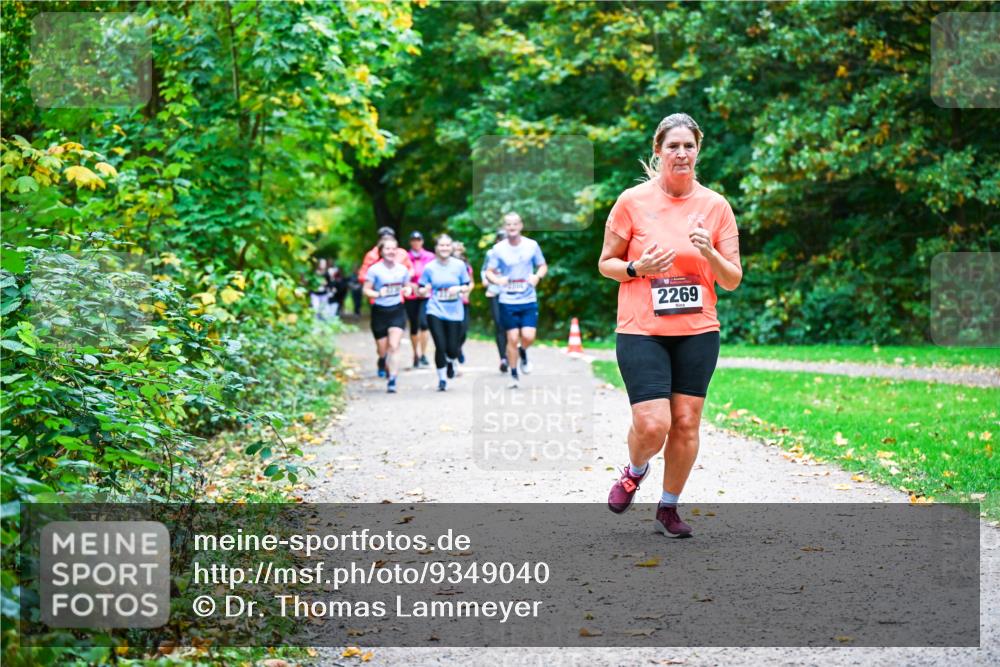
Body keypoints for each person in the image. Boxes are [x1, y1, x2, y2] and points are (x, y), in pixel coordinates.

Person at [598, 113, 742, 538]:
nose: (682, 153)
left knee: (685, 422)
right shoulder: (631, 201)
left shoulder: (715, 206)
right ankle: (634, 469)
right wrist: (635, 267)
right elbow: (606, 264)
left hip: (697, 330)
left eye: (689, 146)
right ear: (658, 150)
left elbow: (732, 278)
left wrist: (709, 253)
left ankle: (668, 508)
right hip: (641, 328)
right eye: (673, 146)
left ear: (699, 150)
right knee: (653, 424)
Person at [484, 212, 547, 388]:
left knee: (528, 336)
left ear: (520, 225)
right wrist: (497, 280)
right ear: (505, 227)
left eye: (515, 224)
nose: (512, 227)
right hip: (507, 299)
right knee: (512, 338)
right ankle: (513, 374)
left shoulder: (531, 245)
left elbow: (542, 265)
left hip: (527, 298)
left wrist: (537, 277)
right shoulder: (498, 249)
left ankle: (522, 352)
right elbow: (489, 271)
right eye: (508, 224)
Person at [418, 234, 471, 392]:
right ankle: (442, 379)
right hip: (435, 309)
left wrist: (460, 289)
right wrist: (424, 290)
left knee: (453, 347)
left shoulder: (459, 265)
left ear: (451, 248)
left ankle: (451, 360)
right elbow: (421, 287)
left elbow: (467, 285)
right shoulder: (429, 267)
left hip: (454, 310)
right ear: (436, 248)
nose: (444, 248)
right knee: (440, 345)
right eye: (441, 245)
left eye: (447, 245)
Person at [359, 227, 413, 377]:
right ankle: (382, 360)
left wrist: (407, 290)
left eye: (393, 248)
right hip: (379, 308)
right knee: (382, 349)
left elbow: (408, 278)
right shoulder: (372, 263)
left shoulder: (402, 264)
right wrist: (377, 292)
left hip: (397, 307)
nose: (391, 251)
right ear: (381, 249)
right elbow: (364, 284)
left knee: (394, 345)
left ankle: (392, 380)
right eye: (387, 248)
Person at [481, 230, 509, 372]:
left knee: (510, 326)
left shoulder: (513, 254)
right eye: (500, 241)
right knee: (499, 324)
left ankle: (511, 353)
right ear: (497, 242)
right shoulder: (490, 254)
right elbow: (484, 270)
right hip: (494, 293)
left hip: (510, 294)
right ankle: (503, 358)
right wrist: (485, 280)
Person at [405, 231, 435, 368]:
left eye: (418, 240)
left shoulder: (429, 257)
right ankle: (415, 354)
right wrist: (412, 286)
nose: (416, 242)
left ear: (422, 241)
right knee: (414, 325)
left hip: (426, 294)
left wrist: (426, 287)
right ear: (411, 242)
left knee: (424, 323)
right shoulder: (405, 257)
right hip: (411, 294)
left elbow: (435, 275)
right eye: (413, 240)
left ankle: (423, 354)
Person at [451, 241, 474, 364]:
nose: (457, 252)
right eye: (454, 249)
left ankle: (458, 347)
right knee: (453, 328)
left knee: (463, 330)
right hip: (451, 302)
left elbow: (471, 282)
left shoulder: (467, 266)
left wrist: (467, 291)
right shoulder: (446, 265)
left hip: (464, 302)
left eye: (459, 249)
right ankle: (453, 351)